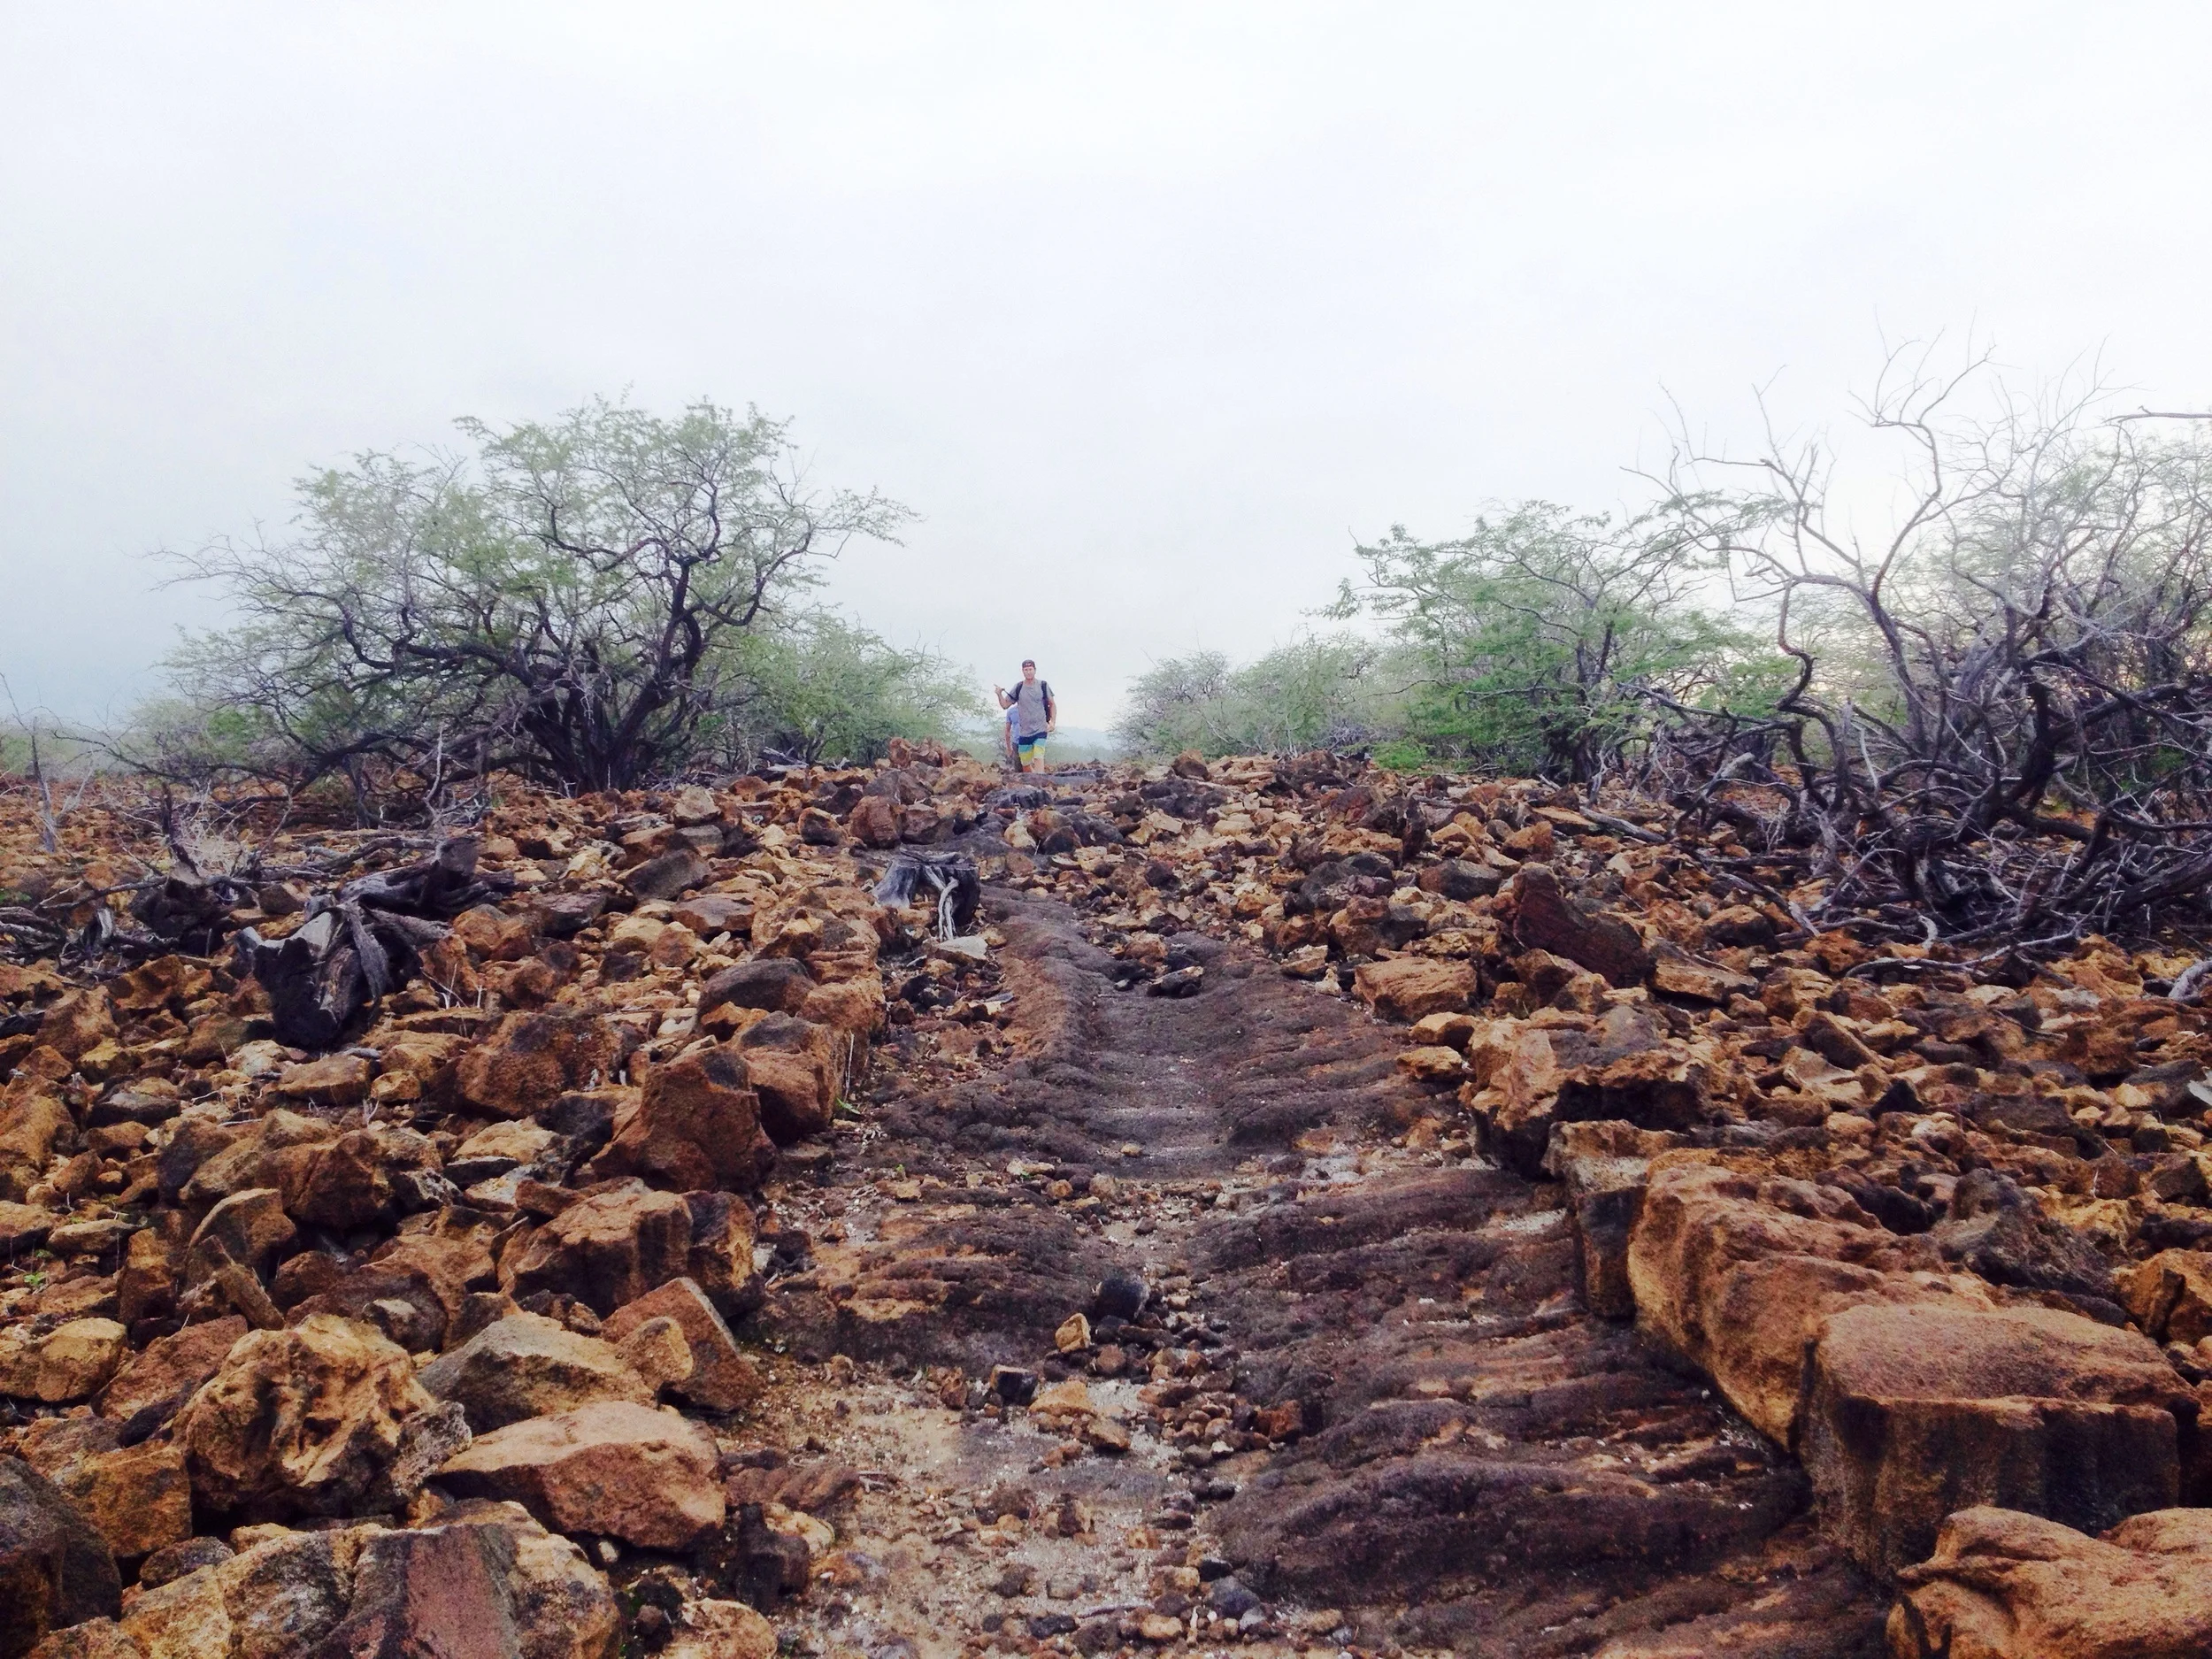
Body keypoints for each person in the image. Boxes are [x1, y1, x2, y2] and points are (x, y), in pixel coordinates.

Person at [994, 660, 1056, 772]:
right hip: (1024, 732)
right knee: (1025, 764)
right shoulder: (1018, 687)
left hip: (1040, 729)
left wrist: (1052, 723)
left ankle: (1040, 779)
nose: (1028, 672)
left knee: (1038, 756)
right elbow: (1005, 705)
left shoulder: (1043, 685)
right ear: (1022, 671)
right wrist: (999, 694)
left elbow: (1052, 704)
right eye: (1026, 670)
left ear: (1035, 670)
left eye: (1030, 669)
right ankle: (1035, 777)